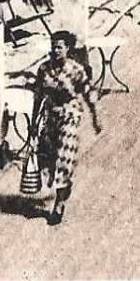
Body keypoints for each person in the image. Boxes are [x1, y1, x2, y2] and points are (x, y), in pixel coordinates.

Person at [30, 31, 102, 225]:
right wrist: (33, 122)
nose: (55, 50)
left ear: (67, 48)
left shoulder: (76, 70)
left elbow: (89, 93)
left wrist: (95, 118)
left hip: (70, 117)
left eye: (59, 46)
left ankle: (59, 204)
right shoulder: (43, 69)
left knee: (64, 157)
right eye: (53, 46)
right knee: (46, 158)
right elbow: (38, 96)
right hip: (51, 117)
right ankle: (64, 185)